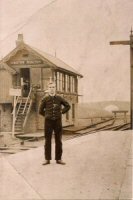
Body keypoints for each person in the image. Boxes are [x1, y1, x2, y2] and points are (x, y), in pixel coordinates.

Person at [39, 82, 70, 165]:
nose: (52, 88)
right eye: (50, 87)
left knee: (58, 140)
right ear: (48, 89)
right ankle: (47, 159)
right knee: (47, 140)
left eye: (53, 87)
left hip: (57, 122)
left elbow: (68, 106)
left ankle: (58, 159)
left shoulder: (59, 98)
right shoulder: (45, 99)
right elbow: (40, 111)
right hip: (48, 122)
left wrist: (61, 112)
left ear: (55, 88)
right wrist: (47, 116)